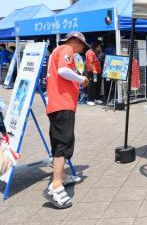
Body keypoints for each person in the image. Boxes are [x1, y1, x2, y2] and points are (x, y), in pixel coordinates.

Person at [43, 31, 89, 209]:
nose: (82, 49)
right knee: (63, 143)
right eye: (82, 45)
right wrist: (82, 79)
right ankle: (56, 185)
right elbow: (63, 70)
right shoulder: (67, 49)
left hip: (56, 104)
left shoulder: (57, 50)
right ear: (75, 41)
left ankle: (60, 176)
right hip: (63, 104)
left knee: (59, 143)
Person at [85, 42, 103, 106]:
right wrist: (94, 70)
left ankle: (96, 98)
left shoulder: (95, 52)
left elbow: (98, 60)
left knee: (97, 85)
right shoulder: (90, 52)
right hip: (92, 72)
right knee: (91, 86)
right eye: (99, 46)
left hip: (97, 72)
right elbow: (90, 63)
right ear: (96, 46)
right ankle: (89, 100)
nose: (100, 48)